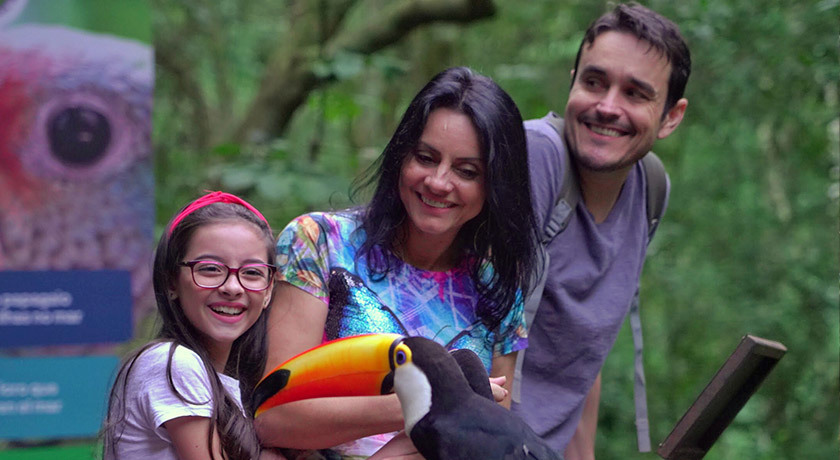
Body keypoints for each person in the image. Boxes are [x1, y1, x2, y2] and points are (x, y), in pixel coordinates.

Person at [255, 66, 540, 458]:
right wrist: (425, 405)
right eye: (425, 157)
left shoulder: (497, 285)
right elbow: (271, 419)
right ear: (401, 157)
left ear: (494, 186)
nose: (439, 182)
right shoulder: (318, 242)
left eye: (467, 171)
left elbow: (490, 442)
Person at [510, 3, 691, 460]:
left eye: (635, 93)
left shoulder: (651, 189)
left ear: (671, 116)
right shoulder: (537, 157)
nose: (607, 107)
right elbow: (477, 333)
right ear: (572, 81)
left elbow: (582, 356)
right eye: (594, 82)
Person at [102, 191, 286, 460]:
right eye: (210, 269)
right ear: (171, 281)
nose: (232, 287)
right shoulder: (174, 363)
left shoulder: (226, 387)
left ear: (269, 290)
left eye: (252, 273)